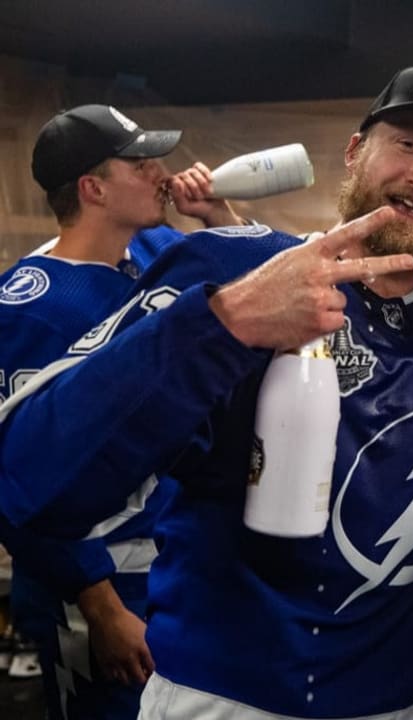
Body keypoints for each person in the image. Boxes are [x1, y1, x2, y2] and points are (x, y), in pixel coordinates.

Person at [0, 66, 413, 719]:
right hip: (230, 697)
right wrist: (223, 322)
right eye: (405, 144)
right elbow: (30, 477)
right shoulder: (237, 269)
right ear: (353, 152)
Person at [0, 104, 247, 719]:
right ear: (93, 188)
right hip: (98, 593)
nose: (162, 174)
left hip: (171, 575)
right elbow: (16, 477)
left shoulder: (148, 256)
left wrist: (217, 215)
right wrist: (100, 605)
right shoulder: (29, 306)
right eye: (141, 164)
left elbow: (252, 269)